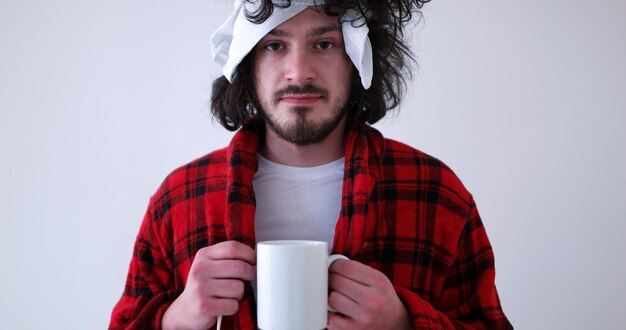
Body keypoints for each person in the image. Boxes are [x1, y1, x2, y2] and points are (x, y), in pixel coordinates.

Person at [110, 0, 513, 329]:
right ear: (249, 63)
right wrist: (175, 320)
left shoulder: (435, 192)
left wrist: (403, 323)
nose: (298, 73)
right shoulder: (179, 199)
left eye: (324, 44)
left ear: (357, 60)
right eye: (274, 45)